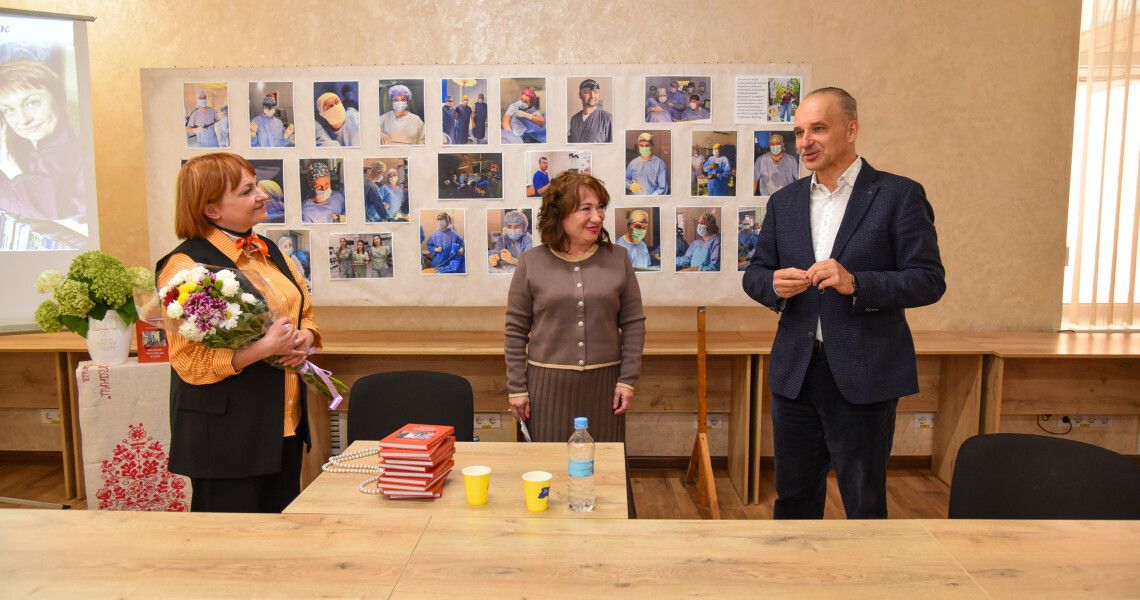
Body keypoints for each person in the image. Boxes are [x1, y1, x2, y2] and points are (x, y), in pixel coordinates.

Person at [742, 87, 946, 520]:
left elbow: (929, 281)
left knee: (863, 502)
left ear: (851, 130)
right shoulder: (784, 202)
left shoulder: (898, 195)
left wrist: (857, 283)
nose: (804, 142)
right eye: (799, 132)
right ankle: (796, 582)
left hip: (864, 371)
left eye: (818, 128)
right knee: (793, 497)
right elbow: (755, 274)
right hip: (795, 371)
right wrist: (773, 285)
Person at [155, 152, 320, 513]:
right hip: (226, 436)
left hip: (283, 425)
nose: (262, 194)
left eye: (256, 185)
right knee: (229, 552)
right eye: (247, 191)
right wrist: (265, 348)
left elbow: (304, 312)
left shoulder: (270, 250)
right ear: (211, 210)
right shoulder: (184, 267)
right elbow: (190, 363)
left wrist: (305, 339)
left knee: (279, 542)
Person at [504, 171, 645, 443]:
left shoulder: (618, 258)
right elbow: (515, 330)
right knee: (546, 471)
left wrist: (627, 380)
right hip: (546, 388)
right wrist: (516, 388)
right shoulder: (531, 262)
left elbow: (633, 324)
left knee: (604, 472)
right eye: (586, 209)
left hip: (605, 388)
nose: (598, 217)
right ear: (560, 214)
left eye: (600, 207)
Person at [0, 59, 85, 225]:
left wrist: (10, 168)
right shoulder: (12, 147)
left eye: (32, 103)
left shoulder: (86, 156)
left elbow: (50, 211)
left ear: (59, 99)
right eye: (9, 110)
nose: (23, 120)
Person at [568, 79, 613, 144]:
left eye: (595, 92)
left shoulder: (608, 118)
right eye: (587, 92)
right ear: (580, 95)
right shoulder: (574, 119)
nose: (592, 96)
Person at [488, 209, 532, 274]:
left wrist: (513, 260)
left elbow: (530, 263)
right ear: (506, 227)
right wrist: (494, 257)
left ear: (523, 227)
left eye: (517, 227)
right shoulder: (504, 237)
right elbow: (498, 250)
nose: (513, 230)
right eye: (509, 226)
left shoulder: (528, 241)